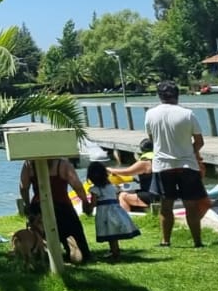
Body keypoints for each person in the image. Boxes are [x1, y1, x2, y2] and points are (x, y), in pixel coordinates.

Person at [145, 80, 207, 248]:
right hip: (187, 165)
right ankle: (197, 242)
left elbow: (152, 139)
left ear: (159, 96)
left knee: (166, 205)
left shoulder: (150, 114)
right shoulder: (188, 114)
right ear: (177, 95)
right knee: (191, 206)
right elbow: (199, 141)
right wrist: (190, 152)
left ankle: (165, 241)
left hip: (162, 165)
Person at [20, 157, 93, 264]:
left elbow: (24, 187)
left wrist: (27, 205)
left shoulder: (29, 164)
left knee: (39, 232)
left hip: (39, 205)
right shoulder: (63, 164)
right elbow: (77, 185)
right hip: (62, 205)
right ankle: (75, 249)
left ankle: (42, 253)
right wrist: (84, 201)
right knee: (73, 230)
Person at [85, 161, 141, 259]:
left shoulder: (95, 189)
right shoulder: (112, 187)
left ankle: (115, 253)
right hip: (116, 209)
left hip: (104, 212)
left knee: (110, 232)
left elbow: (93, 203)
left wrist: (87, 208)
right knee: (113, 231)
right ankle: (115, 250)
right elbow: (116, 199)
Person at [108, 138, 160, 213]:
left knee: (122, 196)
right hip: (161, 193)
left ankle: (127, 219)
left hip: (152, 195)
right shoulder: (159, 159)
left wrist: (110, 170)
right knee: (130, 191)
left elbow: (127, 172)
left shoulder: (144, 162)